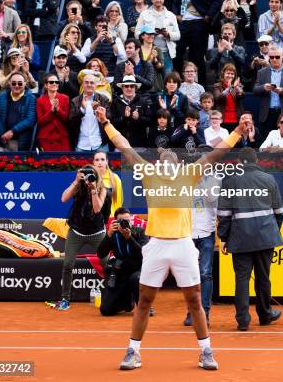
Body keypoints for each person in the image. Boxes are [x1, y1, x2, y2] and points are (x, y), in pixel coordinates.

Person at [96, 105, 246, 371]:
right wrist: (106, 122)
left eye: (170, 159)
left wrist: (236, 131)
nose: (166, 161)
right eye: (162, 159)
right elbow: (125, 147)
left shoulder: (189, 175)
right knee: (144, 301)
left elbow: (216, 153)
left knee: (195, 300)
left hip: (183, 245)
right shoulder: (150, 175)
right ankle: (133, 351)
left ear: (178, 164)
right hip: (155, 245)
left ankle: (206, 351)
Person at [217, 146, 283, 331]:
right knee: (263, 278)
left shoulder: (230, 180)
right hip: (265, 237)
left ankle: (243, 320)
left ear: (239, 161)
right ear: (257, 161)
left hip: (240, 239)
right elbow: (279, 212)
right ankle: (265, 315)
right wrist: (272, 232)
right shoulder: (269, 179)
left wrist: (223, 237)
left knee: (241, 279)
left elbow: (223, 213)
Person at [53, 164, 109, 311]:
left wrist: (93, 189)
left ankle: (112, 296)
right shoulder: (78, 187)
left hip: (97, 233)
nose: (88, 180)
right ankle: (65, 299)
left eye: (91, 177)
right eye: (86, 177)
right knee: (68, 265)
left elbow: (97, 209)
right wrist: (76, 181)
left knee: (106, 265)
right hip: (76, 231)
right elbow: (63, 198)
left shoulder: (102, 189)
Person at [173, 0, 222, 88]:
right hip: (184, 24)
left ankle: (202, 88)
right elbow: (175, 2)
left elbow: (217, 0)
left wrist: (208, 15)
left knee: (197, 58)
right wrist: (177, 14)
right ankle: (179, 84)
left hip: (199, 25)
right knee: (177, 53)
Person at [98, 207, 148, 316]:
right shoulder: (113, 234)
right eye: (121, 221)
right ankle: (127, 303)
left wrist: (129, 238)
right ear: (115, 222)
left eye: (127, 220)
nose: (125, 223)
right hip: (121, 272)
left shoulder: (140, 232)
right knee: (106, 311)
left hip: (138, 269)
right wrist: (108, 235)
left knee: (136, 278)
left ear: (131, 220)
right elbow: (100, 254)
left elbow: (143, 253)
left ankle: (145, 307)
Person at [253, 44, 283, 136]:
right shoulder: (262, 72)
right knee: (267, 144)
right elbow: (255, 90)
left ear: (282, 56)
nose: (274, 59)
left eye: (277, 57)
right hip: (267, 113)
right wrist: (263, 87)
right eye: (271, 57)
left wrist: (282, 90)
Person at [135, 0, 180, 74]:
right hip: (148, 52)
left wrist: (167, 34)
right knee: (150, 78)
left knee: (167, 80)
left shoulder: (171, 16)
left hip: (167, 53)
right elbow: (137, 34)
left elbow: (178, 35)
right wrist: (150, 34)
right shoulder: (144, 14)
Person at [0, 73, 37, 151]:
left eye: (20, 83)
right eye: (14, 83)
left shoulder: (31, 98)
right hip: (2, 139)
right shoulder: (2, 96)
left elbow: (30, 120)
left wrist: (12, 131)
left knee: (18, 163)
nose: (16, 85)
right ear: (9, 83)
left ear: (25, 83)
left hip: (19, 142)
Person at [69, 72, 110, 153]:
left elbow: (109, 117)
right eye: (86, 82)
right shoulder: (75, 100)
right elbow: (71, 121)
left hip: (100, 143)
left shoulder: (103, 99)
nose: (89, 85)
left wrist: (97, 110)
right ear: (82, 85)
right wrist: (82, 109)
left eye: (92, 83)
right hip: (81, 144)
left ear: (96, 85)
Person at [36, 73, 71, 151]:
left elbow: (66, 118)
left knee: (65, 161)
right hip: (46, 137)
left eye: (56, 82)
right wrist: (51, 111)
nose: (54, 84)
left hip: (61, 136)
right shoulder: (40, 101)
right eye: (51, 82)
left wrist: (58, 110)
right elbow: (40, 121)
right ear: (46, 85)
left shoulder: (65, 98)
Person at [213, 63, 244, 133]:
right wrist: (230, 88)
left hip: (236, 118)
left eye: (232, 74)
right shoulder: (217, 86)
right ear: (223, 73)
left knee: (235, 142)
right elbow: (219, 98)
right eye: (228, 73)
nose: (230, 76)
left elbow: (241, 96)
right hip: (222, 118)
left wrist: (237, 88)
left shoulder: (238, 86)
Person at [92, 150, 124, 217]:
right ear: (93, 162)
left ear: (107, 161)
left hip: (110, 218)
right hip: (92, 219)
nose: (99, 162)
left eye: (102, 159)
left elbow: (118, 202)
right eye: (97, 160)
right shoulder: (90, 178)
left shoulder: (115, 178)